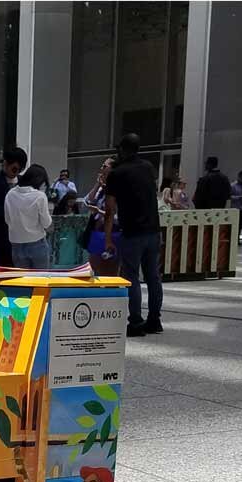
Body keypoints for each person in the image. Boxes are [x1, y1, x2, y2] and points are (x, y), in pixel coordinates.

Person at [102, 133, 163, 337]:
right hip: (154, 230)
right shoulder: (148, 168)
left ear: (122, 150)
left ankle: (135, 322)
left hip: (132, 232)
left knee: (131, 276)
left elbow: (109, 210)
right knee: (153, 276)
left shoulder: (117, 174)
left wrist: (108, 238)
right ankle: (154, 320)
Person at [5, 165, 53, 269]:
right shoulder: (40, 196)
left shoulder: (10, 194)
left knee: (22, 281)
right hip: (37, 242)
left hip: (16, 244)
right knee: (40, 280)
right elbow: (46, 223)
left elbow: (7, 220)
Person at [83, 157, 118, 273]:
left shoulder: (117, 189)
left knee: (109, 268)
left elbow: (116, 216)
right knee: (93, 266)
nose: (101, 169)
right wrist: (98, 184)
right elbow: (88, 200)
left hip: (111, 232)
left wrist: (99, 211)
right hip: (97, 232)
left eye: (105, 166)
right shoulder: (102, 189)